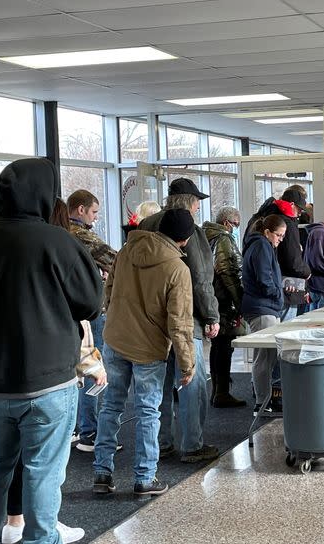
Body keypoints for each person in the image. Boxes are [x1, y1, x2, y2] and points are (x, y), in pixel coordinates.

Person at [0, 158, 102, 544]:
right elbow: (89, 304)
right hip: (48, 382)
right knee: (43, 471)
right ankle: (39, 539)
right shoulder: (59, 242)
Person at [2, 198, 102, 544]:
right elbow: (80, 319)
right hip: (53, 379)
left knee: (12, 459)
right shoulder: (62, 255)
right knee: (48, 463)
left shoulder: (8, 256)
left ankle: (14, 524)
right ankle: (45, 529)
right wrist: (91, 363)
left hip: (6, 379)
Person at [92, 209, 196, 496]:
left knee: (110, 407)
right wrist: (187, 365)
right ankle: (144, 478)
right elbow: (180, 323)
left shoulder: (126, 251)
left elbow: (108, 292)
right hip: (149, 348)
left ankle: (102, 473)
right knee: (147, 411)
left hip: (115, 339)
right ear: (185, 240)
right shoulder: (177, 269)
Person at [138, 178, 219, 463]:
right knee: (191, 382)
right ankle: (192, 445)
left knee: (158, 386)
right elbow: (199, 278)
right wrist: (211, 314)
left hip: (149, 320)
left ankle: (162, 443)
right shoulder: (189, 230)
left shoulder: (145, 226)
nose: (198, 206)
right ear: (187, 202)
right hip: (186, 319)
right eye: (197, 200)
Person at [68, 189, 118, 453]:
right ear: (80, 210)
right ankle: (91, 431)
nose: (95, 218)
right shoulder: (80, 235)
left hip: (68, 311)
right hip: (91, 309)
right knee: (93, 368)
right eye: (94, 212)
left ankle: (77, 428)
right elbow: (115, 260)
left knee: (76, 369)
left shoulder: (57, 234)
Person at [241, 215, 286, 414]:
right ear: (267, 232)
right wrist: (277, 294)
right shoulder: (261, 246)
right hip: (262, 307)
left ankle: (264, 398)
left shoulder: (262, 246)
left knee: (267, 356)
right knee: (264, 357)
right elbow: (264, 278)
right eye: (278, 235)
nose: (280, 240)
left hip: (266, 306)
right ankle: (261, 401)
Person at [203, 206, 247, 408]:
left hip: (212, 299)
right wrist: (240, 301)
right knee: (224, 346)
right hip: (223, 300)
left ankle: (218, 390)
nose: (236, 229)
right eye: (236, 225)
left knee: (217, 346)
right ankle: (221, 392)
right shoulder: (223, 239)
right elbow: (228, 271)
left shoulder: (204, 236)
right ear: (226, 223)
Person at [246, 187, 311, 323]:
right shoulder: (283, 225)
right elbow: (292, 261)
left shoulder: (263, 217)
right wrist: (306, 272)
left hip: (269, 299)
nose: (299, 214)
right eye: (279, 236)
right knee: (280, 338)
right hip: (275, 298)